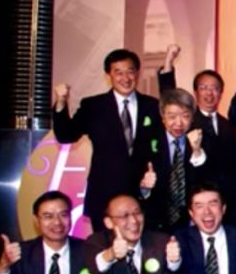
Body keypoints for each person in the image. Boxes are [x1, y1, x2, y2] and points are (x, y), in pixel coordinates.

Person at [53, 48, 161, 231]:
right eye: (118, 72)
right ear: (109, 75)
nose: (125, 78)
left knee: (144, 246)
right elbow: (66, 135)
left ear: (137, 72)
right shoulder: (93, 106)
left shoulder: (152, 106)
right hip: (104, 195)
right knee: (104, 246)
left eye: (130, 71)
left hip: (143, 196)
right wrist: (61, 102)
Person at [156, 44, 236, 203]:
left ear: (221, 92)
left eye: (214, 88)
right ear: (195, 92)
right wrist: (168, 63)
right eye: (203, 88)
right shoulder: (187, 120)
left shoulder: (228, 126)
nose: (209, 93)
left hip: (223, 197)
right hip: (192, 196)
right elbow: (169, 96)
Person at [133, 88, 211, 232]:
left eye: (185, 116)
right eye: (172, 116)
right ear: (163, 117)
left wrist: (197, 152)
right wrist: (144, 188)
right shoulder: (146, 140)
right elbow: (133, 182)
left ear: (192, 117)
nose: (178, 123)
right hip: (156, 224)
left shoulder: (204, 139)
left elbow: (210, 182)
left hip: (193, 223)